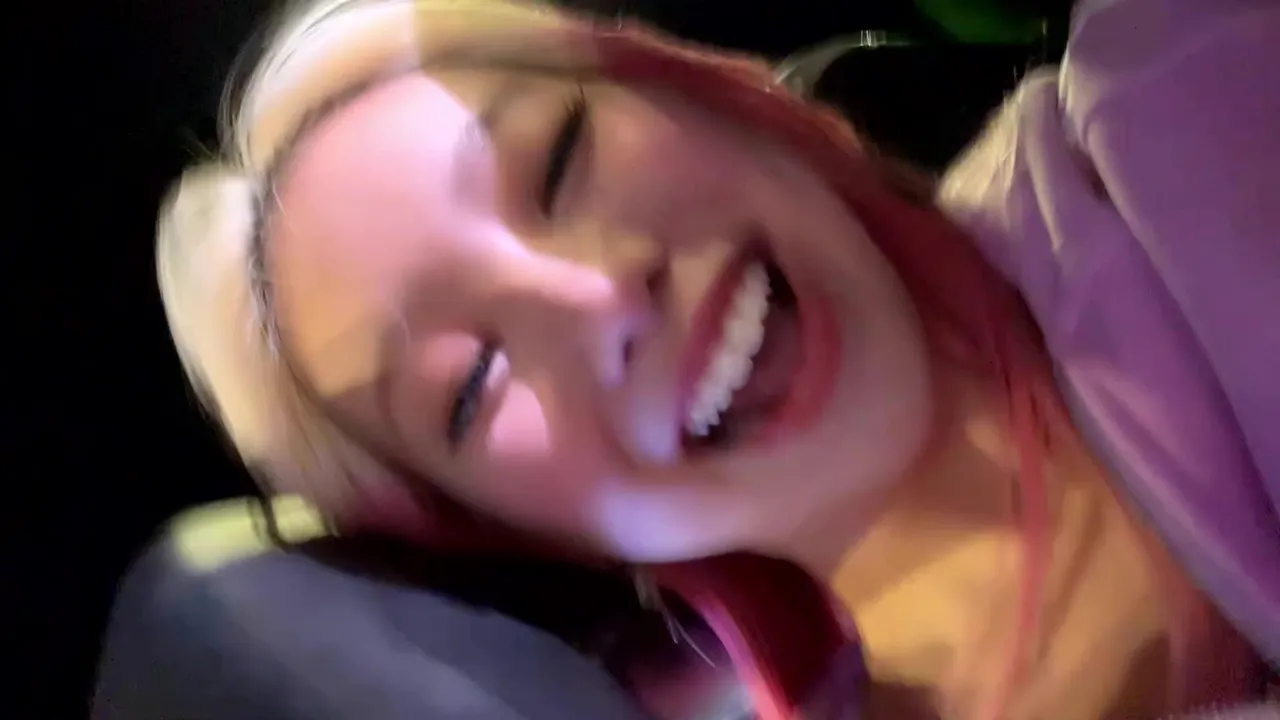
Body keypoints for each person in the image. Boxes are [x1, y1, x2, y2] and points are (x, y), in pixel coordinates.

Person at [155, 0, 1279, 717]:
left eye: (561, 159)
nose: (600, 296)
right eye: (471, 385)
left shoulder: (1197, 82)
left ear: (709, 95)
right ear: (506, 531)